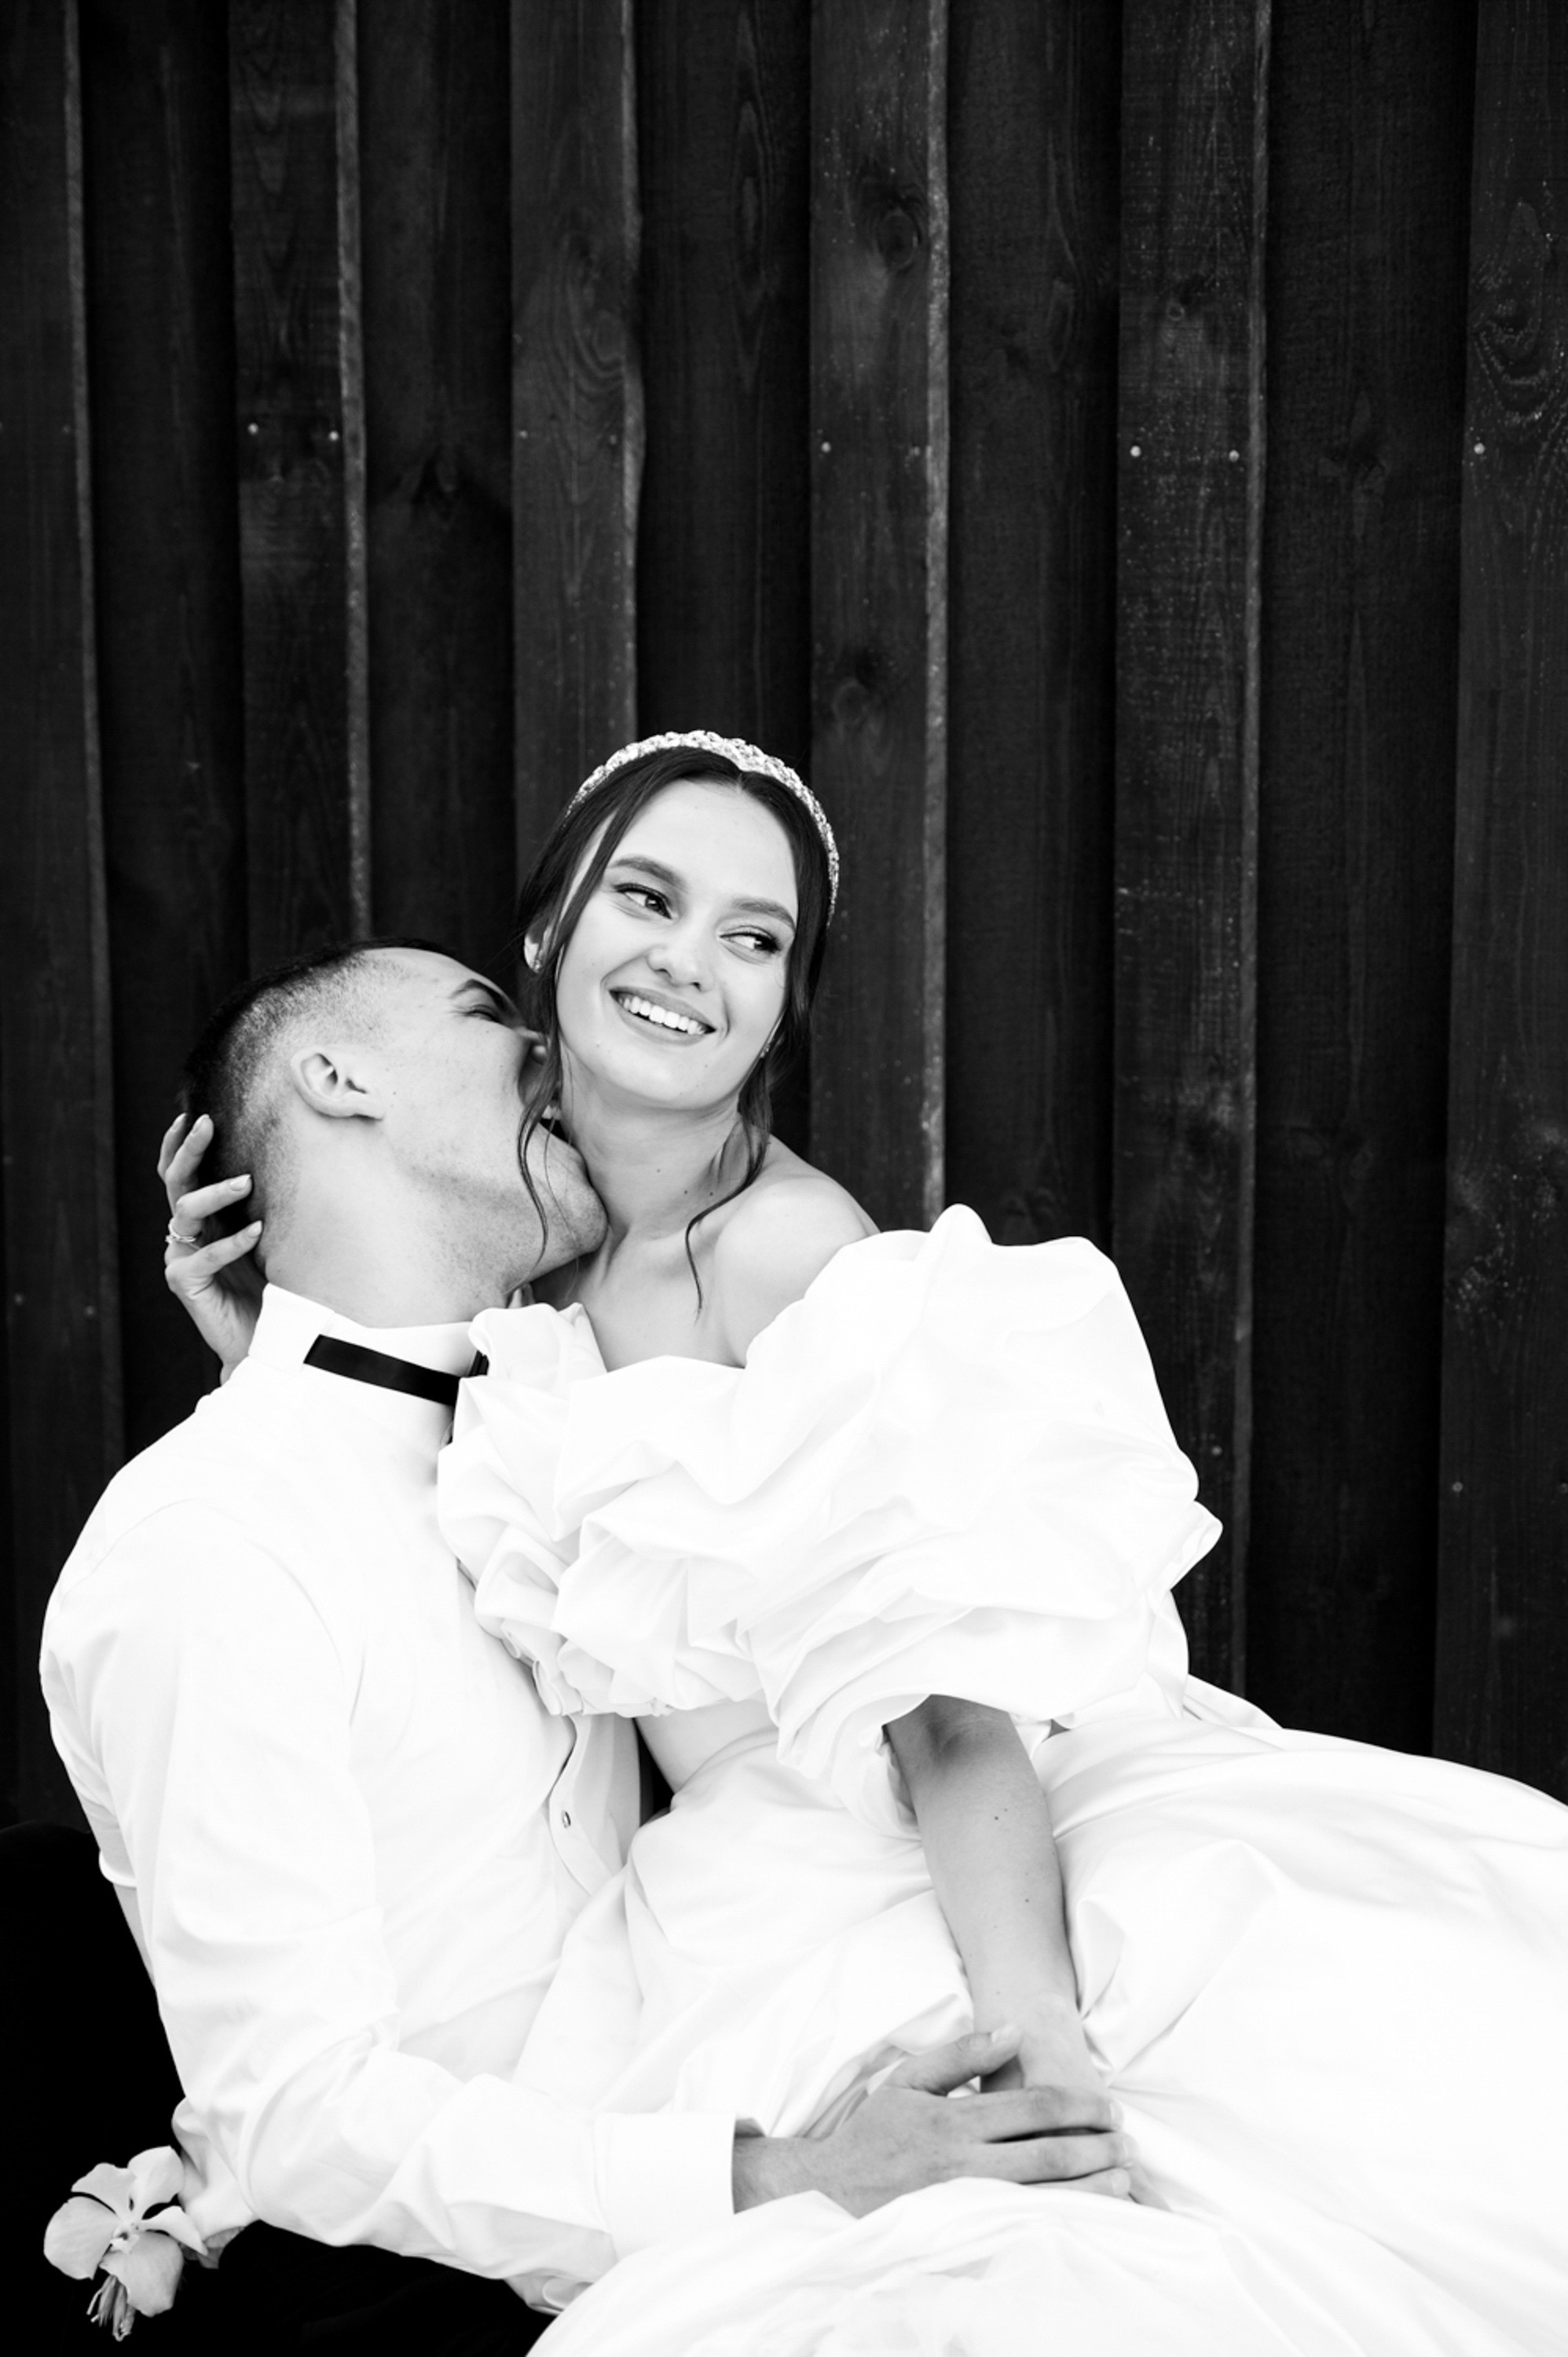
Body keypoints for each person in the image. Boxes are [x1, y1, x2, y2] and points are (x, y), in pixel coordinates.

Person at [161, 742, 1568, 2355]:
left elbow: (947, 1708)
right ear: (549, 932)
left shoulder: (785, 1258)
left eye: (754, 940)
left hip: (911, 1837)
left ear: (783, 1005)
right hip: (701, 1897)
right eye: (648, 896)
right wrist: (272, 1354)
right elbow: (430, 1517)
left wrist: (1039, 2048)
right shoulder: (516, 1248)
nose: (691, 963)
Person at [37, 938, 1126, 2352]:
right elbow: (299, 2116)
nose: (557, 1047)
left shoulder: (550, 1453)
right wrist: (786, 2178)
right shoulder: (212, 1539)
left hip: (716, 2206)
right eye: (489, 1013)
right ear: (335, 1076)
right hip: (417, 2303)